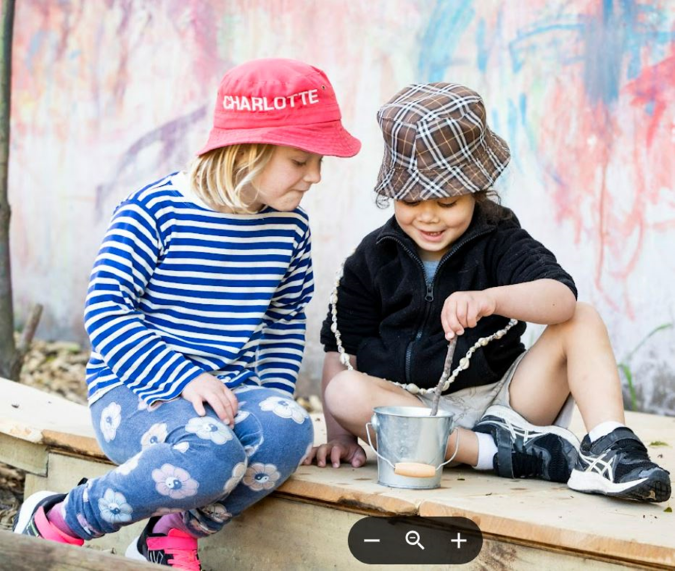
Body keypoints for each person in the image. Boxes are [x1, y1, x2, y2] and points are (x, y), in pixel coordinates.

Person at [13, 58, 360, 569]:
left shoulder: (290, 228)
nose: (316, 176)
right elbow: (106, 313)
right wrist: (184, 377)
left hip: (229, 391)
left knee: (289, 427)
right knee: (212, 452)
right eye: (300, 160)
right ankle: (60, 519)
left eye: (320, 162)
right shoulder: (154, 210)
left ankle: (169, 532)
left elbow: (285, 318)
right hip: (136, 391)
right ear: (247, 152)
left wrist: (272, 399)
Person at [305, 82, 671, 504]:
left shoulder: (498, 236)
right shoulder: (371, 258)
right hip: (415, 411)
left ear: (475, 191)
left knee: (582, 317)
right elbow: (339, 351)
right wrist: (340, 437)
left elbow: (560, 298)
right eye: (411, 200)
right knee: (343, 392)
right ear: (392, 193)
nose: (428, 216)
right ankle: (501, 456)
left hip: (508, 403)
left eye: (447, 202)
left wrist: (492, 299)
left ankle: (611, 450)